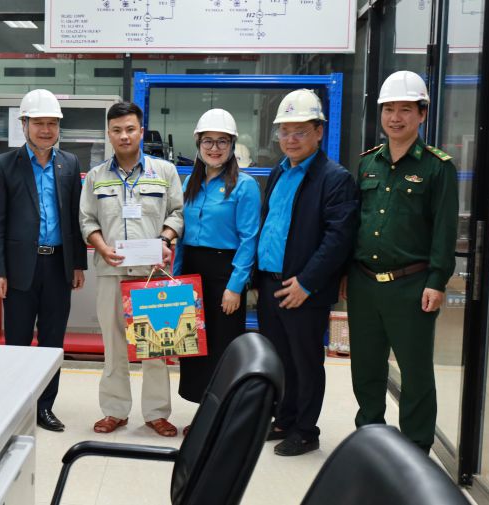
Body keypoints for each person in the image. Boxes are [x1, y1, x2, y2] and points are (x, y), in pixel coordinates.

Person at [346, 70, 457, 453]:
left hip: (412, 285)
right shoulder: (367, 164)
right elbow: (356, 223)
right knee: (366, 368)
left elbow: (444, 230)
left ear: (422, 115)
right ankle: (370, 439)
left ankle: (416, 452)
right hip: (363, 282)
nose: (396, 117)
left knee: (416, 374)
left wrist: (437, 281)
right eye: (389, 109)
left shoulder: (437, 167)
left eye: (406, 110)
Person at [256, 89, 359, 456]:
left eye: (300, 131)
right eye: (285, 131)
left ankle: (305, 430)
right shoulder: (278, 172)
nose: (290, 139)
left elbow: (337, 239)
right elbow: (271, 226)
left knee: (306, 362)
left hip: (303, 288)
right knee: (280, 360)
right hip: (272, 283)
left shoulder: (335, 178)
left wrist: (307, 283)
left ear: (319, 132)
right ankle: (284, 418)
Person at [0, 89, 87, 432]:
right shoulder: (3, 165)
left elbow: (74, 219)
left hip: (58, 265)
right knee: (16, 341)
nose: (46, 130)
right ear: (24, 124)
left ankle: (44, 406)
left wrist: (77, 265)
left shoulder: (69, 164)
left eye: (52, 124)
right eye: (39, 123)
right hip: (18, 268)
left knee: (52, 341)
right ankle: (17, 405)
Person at [80, 101, 184, 437]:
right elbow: (87, 219)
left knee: (156, 345)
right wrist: (100, 246)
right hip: (112, 270)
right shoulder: (96, 177)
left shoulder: (164, 172)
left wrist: (166, 241)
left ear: (141, 131)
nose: (124, 136)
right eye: (117, 130)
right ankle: (114, 411)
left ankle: (156, 413)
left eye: (130, 129)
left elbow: (177, 214)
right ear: (108, 134)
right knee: (114, 347)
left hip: (152, 273)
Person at [172, 109, 260, 435]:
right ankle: (202, 416)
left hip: (225, 274)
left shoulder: (244, 186)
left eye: (222, 141)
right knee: (196, 350)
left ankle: (221, 417)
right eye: (208, 141)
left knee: (223, 349)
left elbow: (249, 238)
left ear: (232, 144)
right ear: (198, 143)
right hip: (193, 272)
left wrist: (236, 286)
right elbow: (181, 235)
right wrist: (177, 278)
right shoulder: (190, 183)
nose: (215, 147)